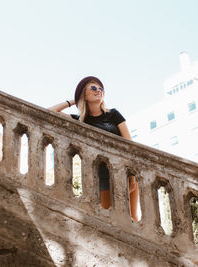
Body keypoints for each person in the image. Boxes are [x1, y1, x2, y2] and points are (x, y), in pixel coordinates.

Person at [49, 76, 139, 222]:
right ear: (84, 95)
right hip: (102, 177)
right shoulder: (81, 121)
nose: (98, 91)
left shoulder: (114, 114)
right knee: (109, 220)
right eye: (93, 88)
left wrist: (133, 176)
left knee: (133, 218)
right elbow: (48, 112)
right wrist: (73, 100)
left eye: (101, 89)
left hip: (125, 172)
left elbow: (131, 145)